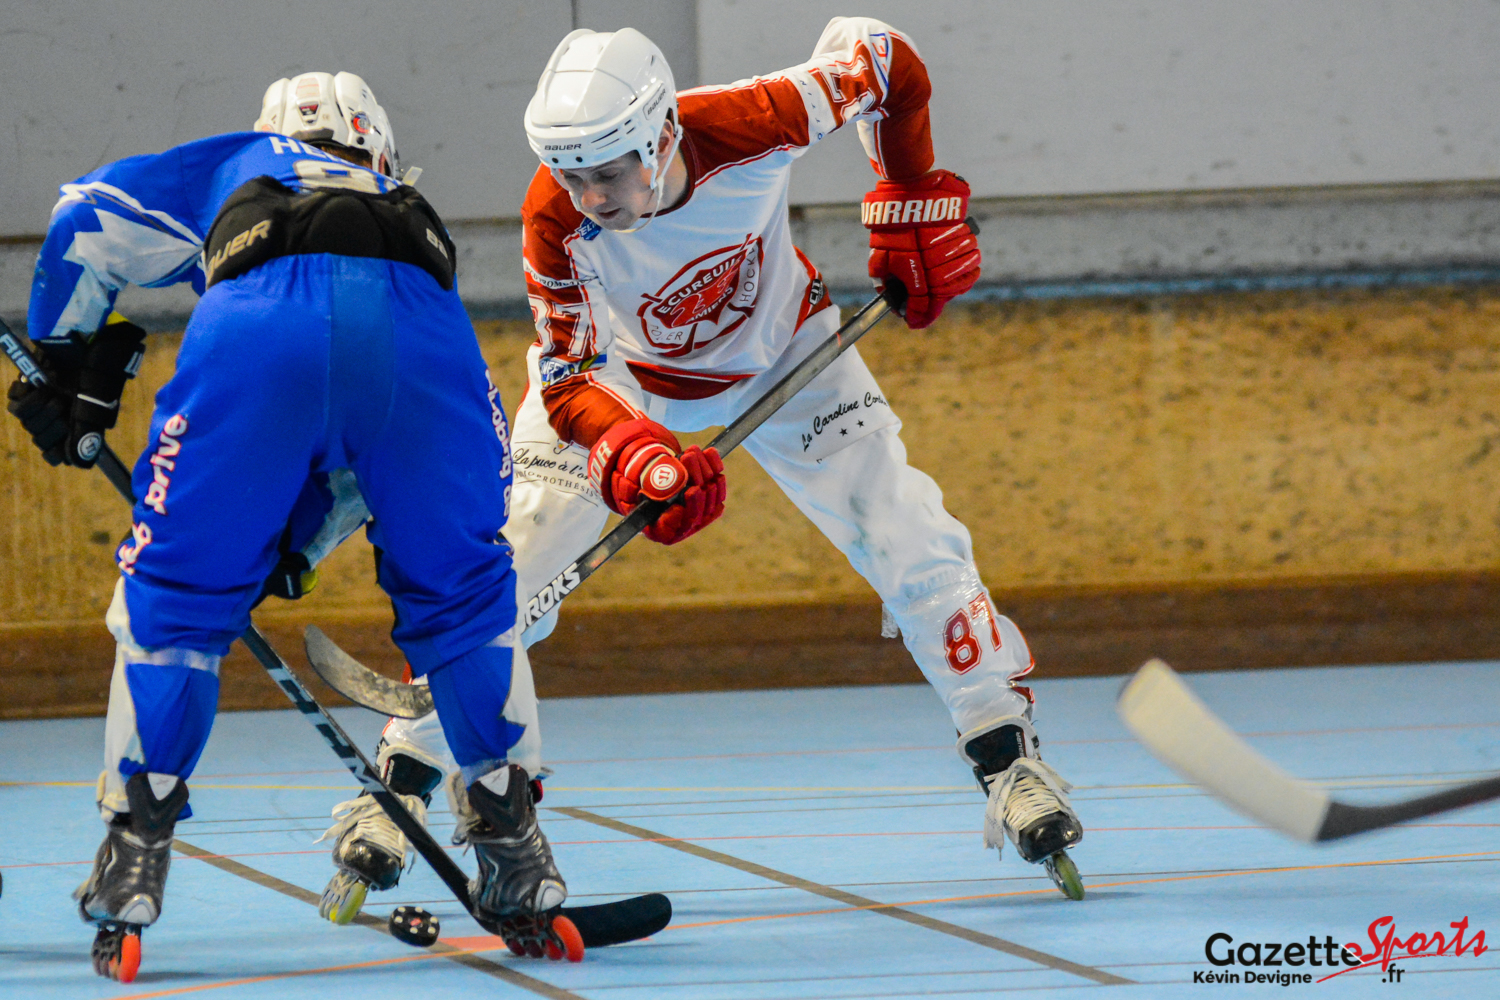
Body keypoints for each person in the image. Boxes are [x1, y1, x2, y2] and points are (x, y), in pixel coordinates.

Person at [319, 15, 1086, 917]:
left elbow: (885, 57)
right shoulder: (553, 216)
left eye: (608, 171)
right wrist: (637, 459)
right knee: (512, 566)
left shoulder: (756, 120)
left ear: (660, 135)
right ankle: (405, 774)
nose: (589, 194)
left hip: (787, 353)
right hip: (619, 382)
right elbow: (565, 381)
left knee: (906, 533)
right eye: (571, 173)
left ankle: (1008, 755)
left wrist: (913, 193)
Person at [6, 71, 570, 982]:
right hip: (427, 344)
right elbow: (370, 465)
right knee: (470, 602)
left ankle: (133, 860)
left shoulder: (239, 161)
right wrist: (298, 546)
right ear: (381, 154)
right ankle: (518, 855)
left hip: (259, 328)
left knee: (175, 603)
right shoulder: (400, 201)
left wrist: (65, 359)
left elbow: (84, 217)